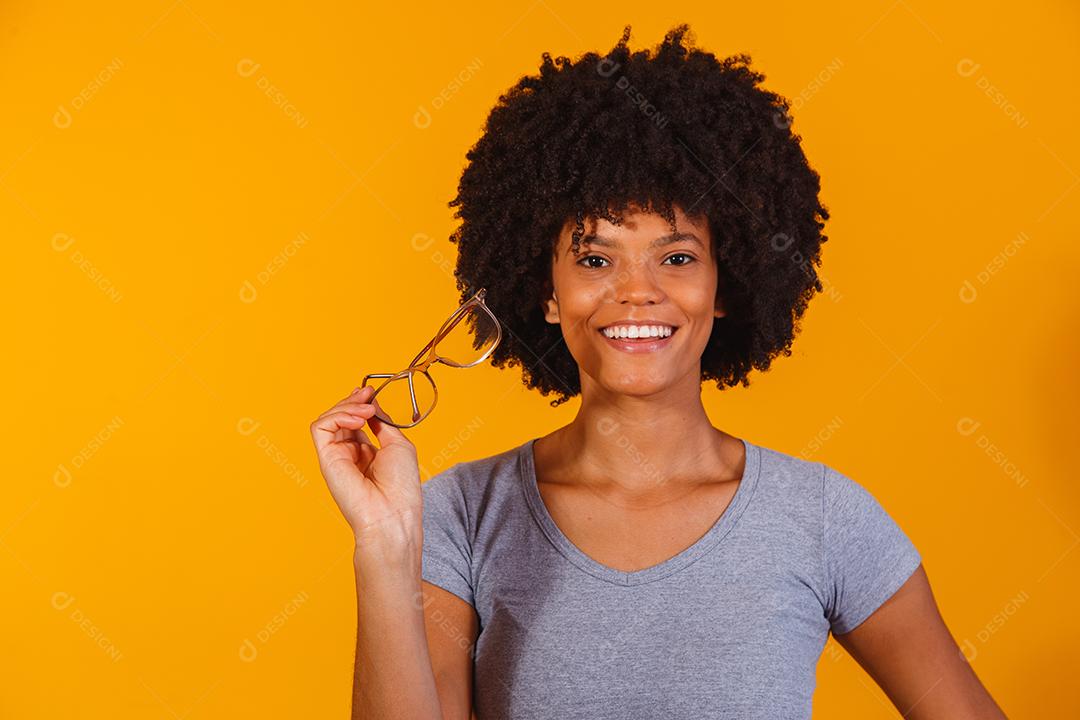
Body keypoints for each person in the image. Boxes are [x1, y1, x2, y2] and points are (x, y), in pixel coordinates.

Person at [310, 23, 1008, 720]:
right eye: (594, 258)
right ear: (545, 292)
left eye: (676, 258)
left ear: (725, 284)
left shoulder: (825, 519)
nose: (636, 291)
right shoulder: (461, 515)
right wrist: (383, 546)